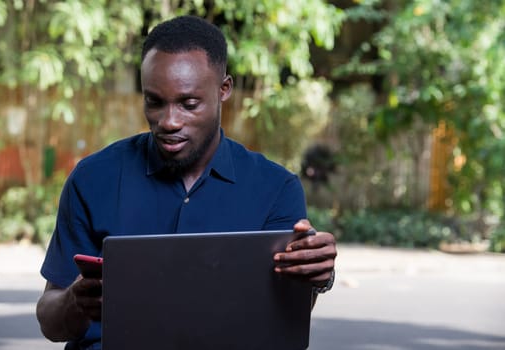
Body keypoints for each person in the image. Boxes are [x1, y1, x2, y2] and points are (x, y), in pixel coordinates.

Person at [36, 15, 337, 350]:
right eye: (154, 101)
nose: (169, 121)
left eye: (188, 103)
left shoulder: (276, 189)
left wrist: (316, 277)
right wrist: (74, 304)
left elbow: (284, 319)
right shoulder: (93, 179)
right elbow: (50, 321)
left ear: (224, 89)